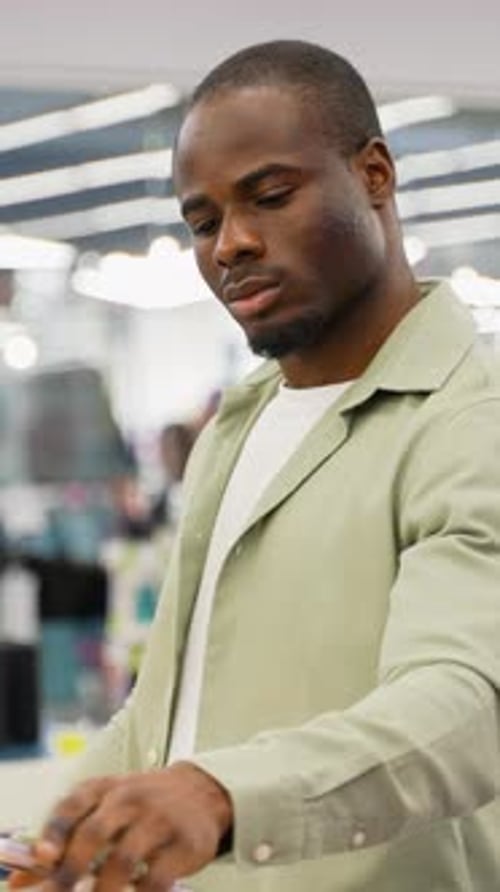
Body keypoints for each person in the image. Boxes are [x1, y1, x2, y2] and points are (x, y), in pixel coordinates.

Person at [11, 40, 500, 892]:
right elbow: (162, 714)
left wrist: (221, 795)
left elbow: (467, 706)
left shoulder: (469, 423)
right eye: (202, 223)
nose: (231, 244)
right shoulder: (239, 427)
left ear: (376, 175)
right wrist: (46, 841)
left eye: (270, 197)